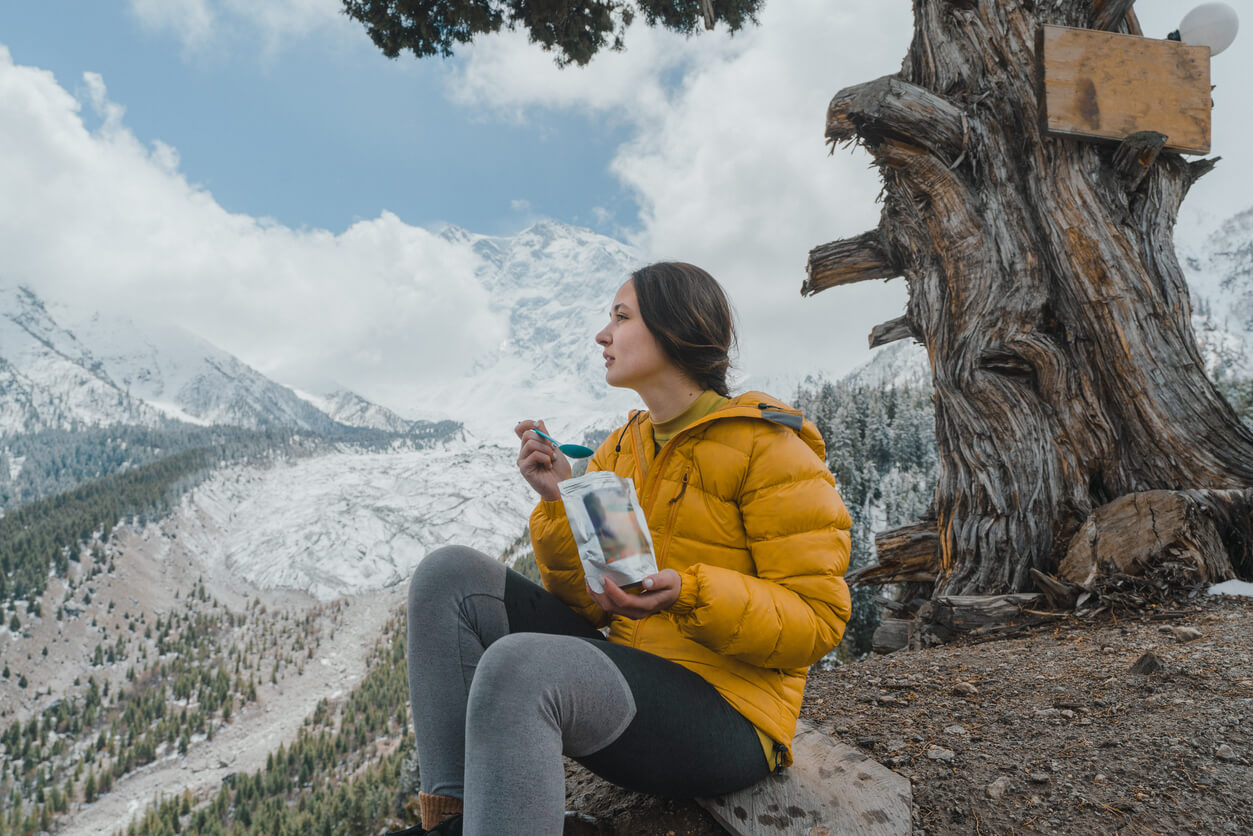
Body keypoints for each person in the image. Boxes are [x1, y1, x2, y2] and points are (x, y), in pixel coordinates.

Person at [400, 262, 852, 835]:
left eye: (620, 316)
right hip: (633, 686)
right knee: (448, 576)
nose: (602, 334)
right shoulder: (624, 448)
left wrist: (691, 592)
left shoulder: (771, 449)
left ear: (674, 327)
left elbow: (818, 622)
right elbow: (593, 606)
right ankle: (462, 821)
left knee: (520, 666)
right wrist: (563, 500)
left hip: (729, 718)